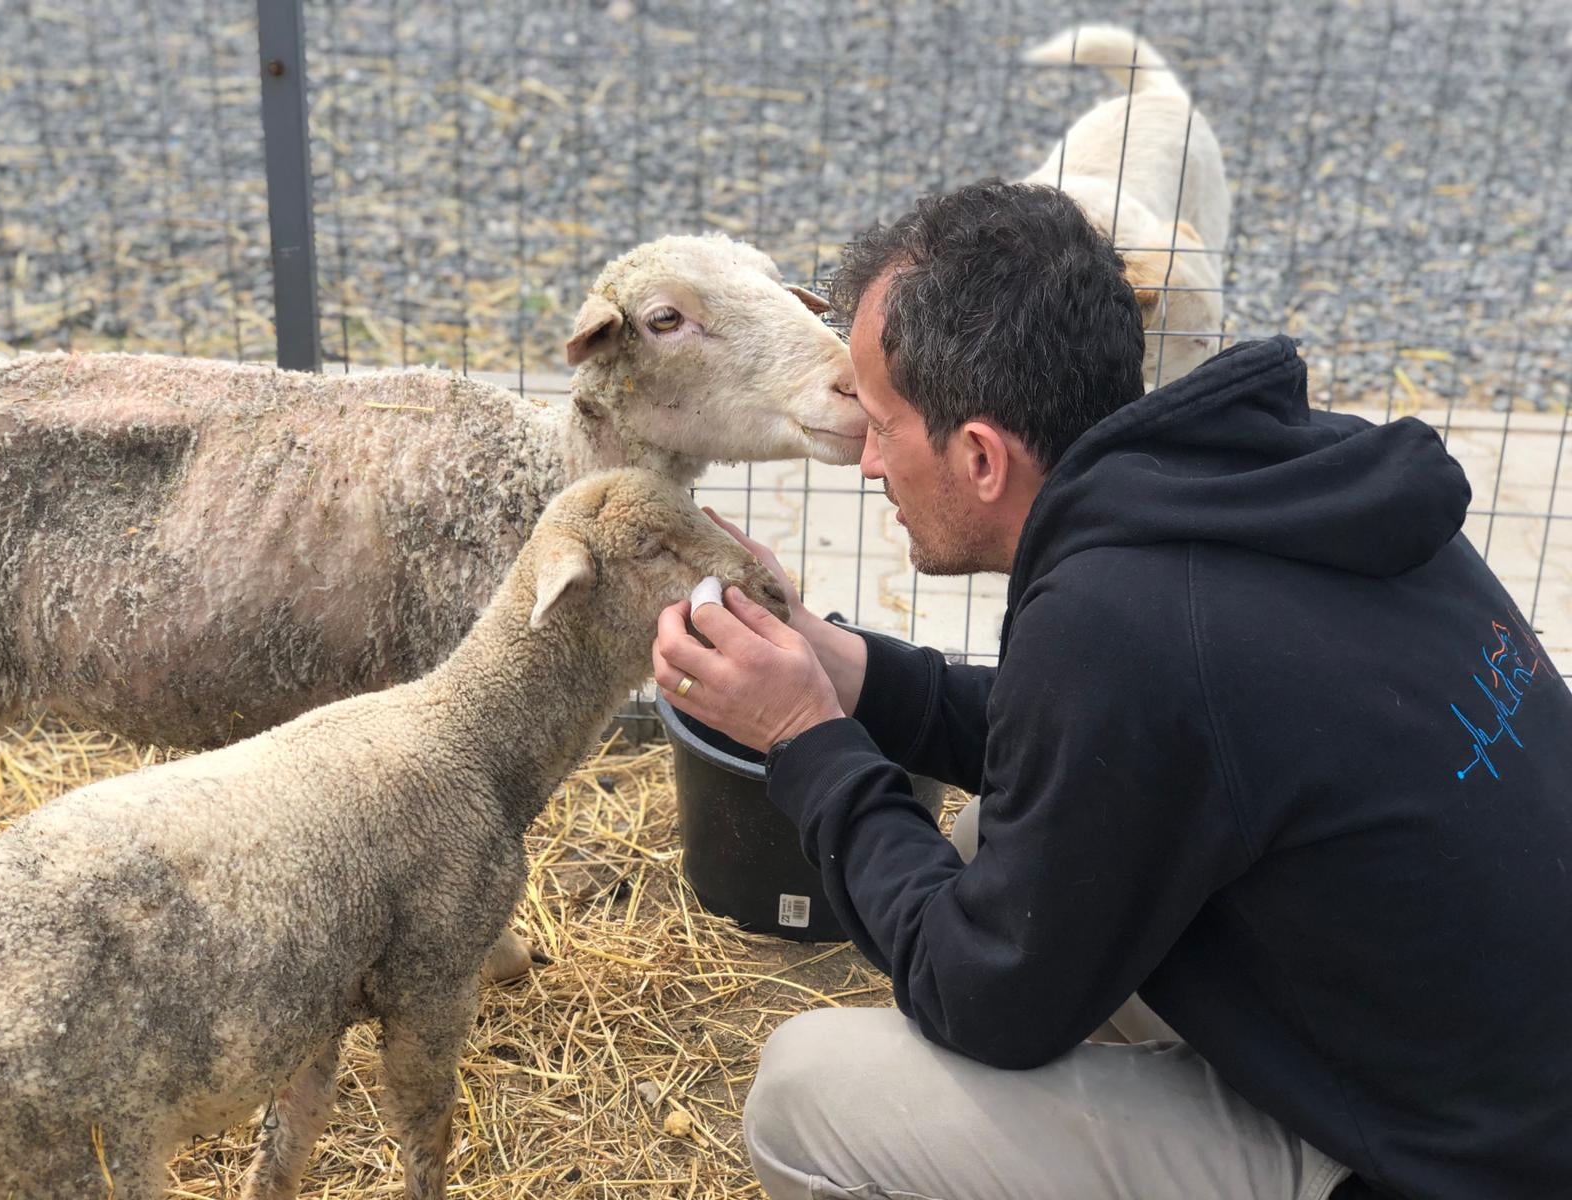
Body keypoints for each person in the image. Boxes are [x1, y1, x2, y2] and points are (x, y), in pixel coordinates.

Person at [650, 180, 1572, 1200]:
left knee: (806, 1095)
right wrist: (846, 669)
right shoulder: (1274, 478)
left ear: (980, 456)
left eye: (879, 425)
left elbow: (983, 996)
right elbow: (1135, 732)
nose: (867, 463)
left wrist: (803, 737)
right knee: (982, 847)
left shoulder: (1119, 622)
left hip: (1445, 1169)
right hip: (1494, 1074)